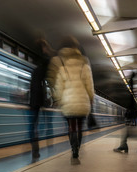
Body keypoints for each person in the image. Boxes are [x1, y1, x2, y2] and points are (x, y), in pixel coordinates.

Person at [46, 36, 94, 165]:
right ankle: (78, 147)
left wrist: (59, 100)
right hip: (82, 101)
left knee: (71, 127)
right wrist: (91, 98)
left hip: (68, 102)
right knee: (79, 127)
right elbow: (89, 84)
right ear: (76, 48)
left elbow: (59, 87)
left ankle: (74, 150)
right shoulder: (84, 63)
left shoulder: (61, 64)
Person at [29, 38, 55, 159]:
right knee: (46, 125)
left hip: (33, 100)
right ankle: (49, 148)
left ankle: (35, 151)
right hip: (41, 99)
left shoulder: (34, 63)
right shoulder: (45, 62)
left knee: (33, 126)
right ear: (43, 49)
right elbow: (49, 80)